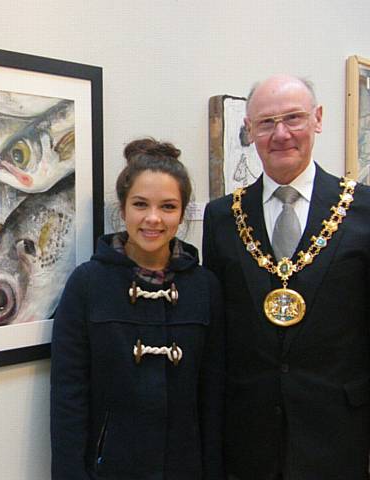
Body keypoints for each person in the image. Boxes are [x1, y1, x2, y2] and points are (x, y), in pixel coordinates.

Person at [203, 74, 370, 479]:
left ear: (318, 119)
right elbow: (219, 335)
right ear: (249, 130)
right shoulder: (222, 217)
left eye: (293, 118)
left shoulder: (364, 211)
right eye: (265, 123)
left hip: (341, 436)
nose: (281, 134)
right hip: (247, 440)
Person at [51, 138, 225, 479]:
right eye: (141, 204)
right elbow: (68, 397)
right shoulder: (87, 285)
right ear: (123, 208)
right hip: (109, 467)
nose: (153, 219)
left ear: (183, 212)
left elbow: (213, 397)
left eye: (168, 207)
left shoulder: (205, 287)